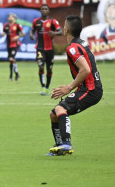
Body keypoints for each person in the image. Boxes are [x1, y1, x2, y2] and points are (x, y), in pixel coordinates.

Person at [47, 15, 103, 156]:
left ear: (66, 29)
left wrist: (69, 87)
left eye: (64, 25)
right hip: (90, 87)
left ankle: (67, 144)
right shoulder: (81, 43)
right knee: (54, 114)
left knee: (60, 109)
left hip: (90, 90)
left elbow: (86, 69)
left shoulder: (72, 48)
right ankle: (60, 146)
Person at [30, 4, 63, 95]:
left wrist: (54, 33)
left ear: (48, 11)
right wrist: (31, 34)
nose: (44, 10)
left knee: (49, 69)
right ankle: (43, 86)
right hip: (40, 48)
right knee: (40, 66)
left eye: (46, 9)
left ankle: (47, 87)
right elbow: (32, 30)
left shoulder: (53, 21)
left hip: (50, 49)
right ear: (40, 11)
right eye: (42, 9)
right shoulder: (36, 21)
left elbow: (61, 32)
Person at [1, 13, 25, 81]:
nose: (9, 18)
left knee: (11, 58)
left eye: (10, 17)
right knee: (11, 61)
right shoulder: (6, 26)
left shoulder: (17, 26)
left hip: (15, 44)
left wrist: (18, 36)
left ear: (14, 18)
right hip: (9, 44)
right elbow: (4, 33)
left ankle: (11, 76)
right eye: (8, 17)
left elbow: (23, 33)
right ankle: (16, 74)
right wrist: (3, 34)